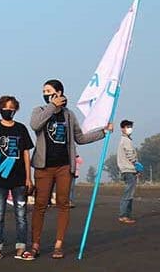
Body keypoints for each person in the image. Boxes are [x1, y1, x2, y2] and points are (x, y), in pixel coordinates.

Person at [29, 79, 112, 259]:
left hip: (64, 166)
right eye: (44, 91)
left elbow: (79, 138)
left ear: (59, 92)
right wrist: (52, 106)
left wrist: (103, 132)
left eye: (49, 90)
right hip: (43, 167)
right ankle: (35, 244)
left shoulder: (69, 115)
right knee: (40, 205)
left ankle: (59, 244)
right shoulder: (40, 111)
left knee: (63, 204)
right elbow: (35, 125)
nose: (45, 93)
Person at [0, 96, 35, 261]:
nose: (8, 110)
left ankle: (21, 247)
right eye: (5, 107)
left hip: (19, 179)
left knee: (21, 215)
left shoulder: (21, 129)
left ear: (16, 109)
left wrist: (29, 177)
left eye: (11, 108)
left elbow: (26, 153)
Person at [117, 119, 141, 224]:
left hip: (128, 169)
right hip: (128, 169)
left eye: (130, 127)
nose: (129, 129)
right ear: (122, 129)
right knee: (128, 193)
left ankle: (127, 215)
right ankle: (124, 215)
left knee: (129, 193)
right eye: (127, 127)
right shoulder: (125, 140)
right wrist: (136, 163)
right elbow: (130, 153)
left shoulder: (126, 140)